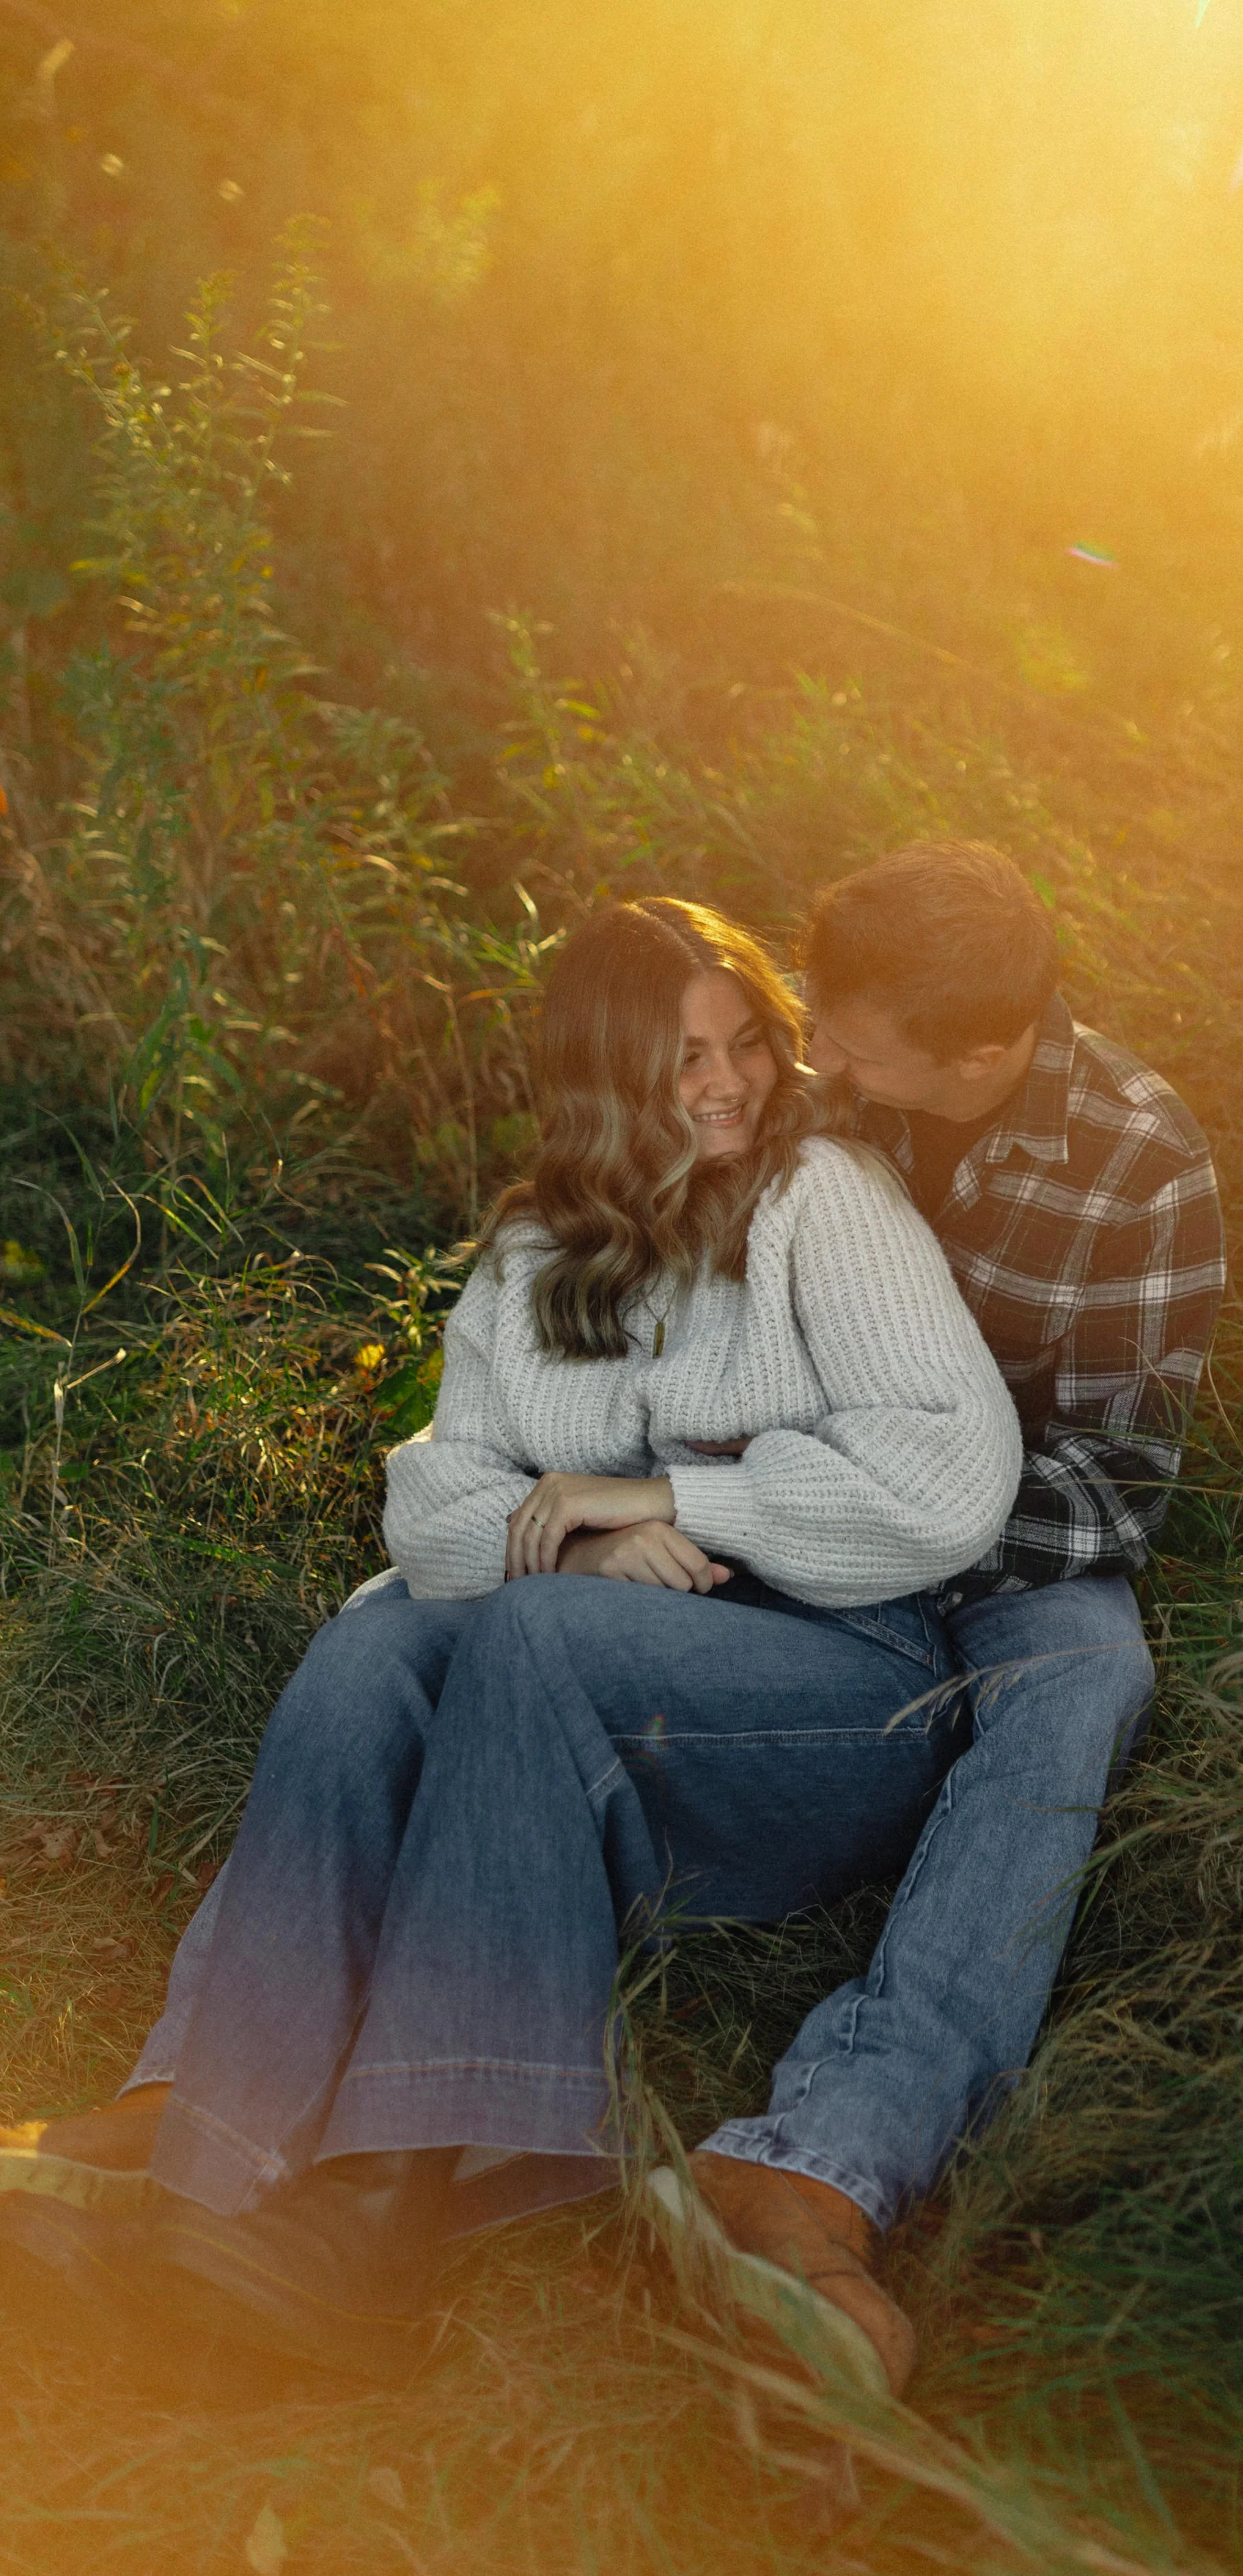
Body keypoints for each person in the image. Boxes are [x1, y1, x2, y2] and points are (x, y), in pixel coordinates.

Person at [0, 894, 1023, 2396]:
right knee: (373, 1649)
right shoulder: (543, 1246)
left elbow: (954, 1478)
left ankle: (397, 2196)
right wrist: (591, 1548)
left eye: (744, 1043)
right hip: (601, 1685)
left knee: (532, 1630)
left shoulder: (823, 1199)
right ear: (605, 1078)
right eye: (682, 1059)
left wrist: (678, 1498)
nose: (728, 1085)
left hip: (839, 1692)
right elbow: (434, 1503)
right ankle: (210, 2164)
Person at [674, 841, 1224, 2361]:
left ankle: (818, 2163)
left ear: (981, 1054)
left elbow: (1114, 1482)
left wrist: (898, 1537)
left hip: (1009, 1539)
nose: (817, 1063)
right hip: (785, 1483)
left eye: (852, 1045)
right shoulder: (817, 1092)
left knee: (1088, 1678)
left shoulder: (1138, 1160)